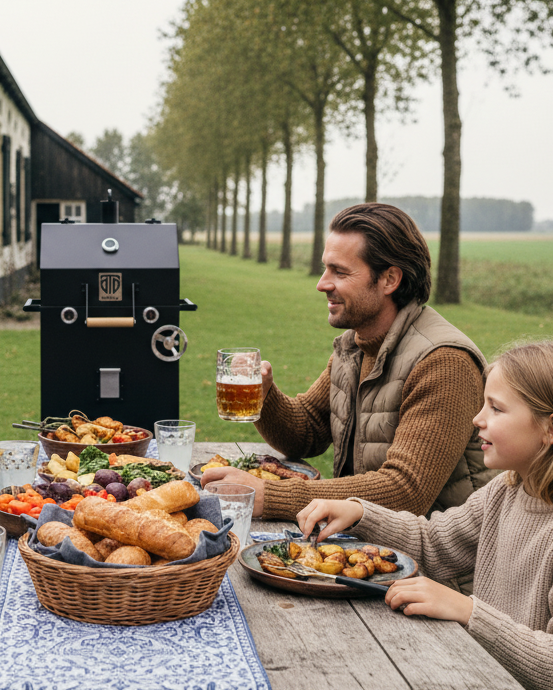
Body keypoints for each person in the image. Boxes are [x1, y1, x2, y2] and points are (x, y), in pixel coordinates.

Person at [297, 341, 553, 690]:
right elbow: (434, 546)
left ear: (552, 428)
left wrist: (467, 611)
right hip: (494, 682)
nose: (477, 419)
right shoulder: (511, 489)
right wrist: (361, 512)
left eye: (495, 408)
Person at [203, 203, 495, 523]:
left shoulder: (445, 363)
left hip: (429, 565)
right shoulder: (357, 344)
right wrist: (265, 395)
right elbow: (307, 430)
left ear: (389, 279)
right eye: (326, 268)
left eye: (339, 272)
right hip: (365, 543)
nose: (322, 283)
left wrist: (269, 496)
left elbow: (405, 490)